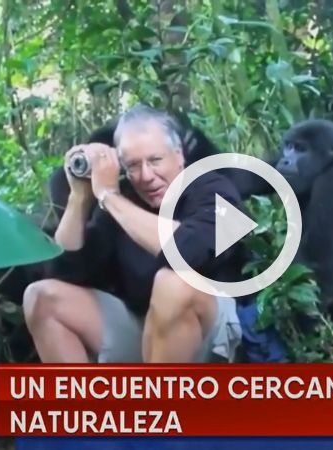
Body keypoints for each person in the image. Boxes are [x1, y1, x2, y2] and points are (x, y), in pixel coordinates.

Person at [23, 104, 246, 364]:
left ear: (179, 155)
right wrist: (80, 197)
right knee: (40, 297)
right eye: (133, 166)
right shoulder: (124, 202)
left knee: (172, 282)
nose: (146, 176)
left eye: (155, 160)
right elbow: (64, 271)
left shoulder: (216, 188)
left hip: (208, 331)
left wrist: (109, 196)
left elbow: (187, 251)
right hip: (145, 329)